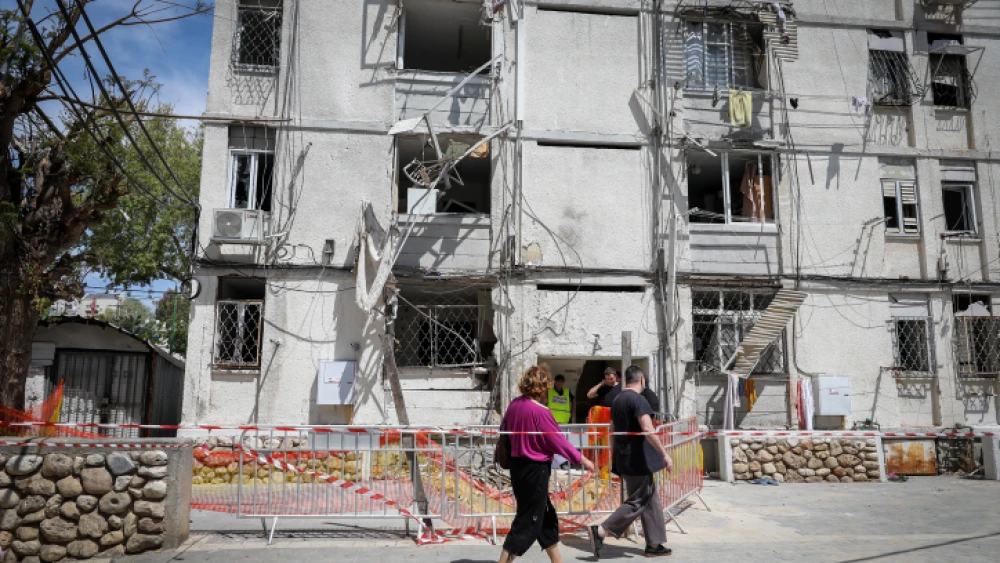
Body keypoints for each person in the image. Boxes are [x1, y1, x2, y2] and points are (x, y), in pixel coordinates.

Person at [499, 365, 596, 563]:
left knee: (544, 515)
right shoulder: (540, 411)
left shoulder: (514, 405)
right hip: (535, 469)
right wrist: (583, 459)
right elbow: (558, 441)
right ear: (544, 387)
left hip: (518, 467)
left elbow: (504, 431)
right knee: (528, 519)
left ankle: (557, 560)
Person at [587, 365, 674, 559]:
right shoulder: (638, 400)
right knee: (638, 500)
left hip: (625, 457)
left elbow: (612, 430)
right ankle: (600, 531)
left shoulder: (617, 400)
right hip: (638, 459)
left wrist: (612, 454)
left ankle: (654, 543)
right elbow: (647, 428)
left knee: (650, 498)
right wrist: (664, 454)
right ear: (641, 379)